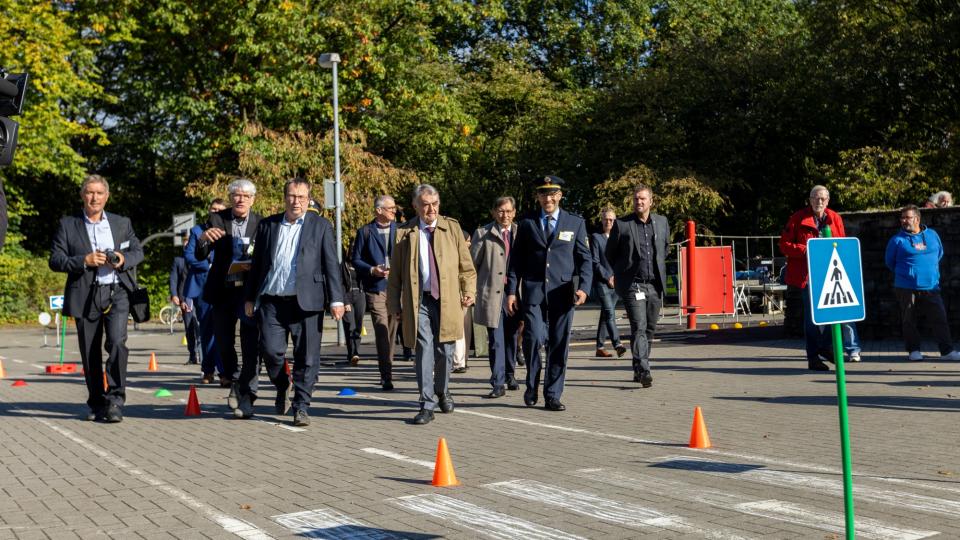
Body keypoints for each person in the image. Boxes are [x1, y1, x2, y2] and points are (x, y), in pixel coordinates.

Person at [243, 178, 345, 425]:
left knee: (307, 357)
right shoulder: (268, 225)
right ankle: (282, 383)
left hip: (307, 302)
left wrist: (337, 299)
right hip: (271, 301)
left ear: (308, 199)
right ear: (284, 197)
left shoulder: (320, 225)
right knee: (270, 351)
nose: (296, 201)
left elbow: (332, 264)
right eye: (291, 196)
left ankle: (301, 406)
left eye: (301, 197)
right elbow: (256, 266)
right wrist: (249, 297)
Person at [49, 174, 144, 422]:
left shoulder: (121, 222)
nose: (94, 197)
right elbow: (56, 260)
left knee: (116, 343)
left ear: (107, 196)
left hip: (117, 291)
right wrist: (84, 261)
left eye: (99, 193)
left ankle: (115, 400)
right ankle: (96, 401)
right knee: (90, 352)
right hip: (86, 294)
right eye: (90, 192)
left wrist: (123, 260)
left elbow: (137, 251)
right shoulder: (68, 224)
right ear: (82, 196)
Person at [387, 184, 476, 425]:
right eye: (425, 204)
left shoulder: (452, 228)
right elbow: (395, 276)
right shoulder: (404, 233)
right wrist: (394, 305)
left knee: (445, 351)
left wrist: (469, 291)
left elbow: (467, 268)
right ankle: (426, 403)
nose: (431, 209)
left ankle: (443, 391)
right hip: (419, 301)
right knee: (425, 349)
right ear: (415, 206)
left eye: (435, 203)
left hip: (447, 300)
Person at [506, 176, 592, 411]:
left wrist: (584, 287)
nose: (548, 199)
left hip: (563, 293)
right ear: (538, 197)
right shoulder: (527, 223)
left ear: (560, 196)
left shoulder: (575, 223)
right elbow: (515, 261)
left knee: (559, 343)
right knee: (533, 339)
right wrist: (511, 291)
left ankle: (553, 394)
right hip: (534, 292)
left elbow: (585, 259)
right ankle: (532, 385)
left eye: (552, 194)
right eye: (543, 194)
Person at [195, 178, 262, 409]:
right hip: (222, 291)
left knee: (250, 341)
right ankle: (233, 377)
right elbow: (201, 254)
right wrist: (203, 240)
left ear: (252, 199)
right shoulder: (216, 219)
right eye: (236, 195)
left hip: (248, 292)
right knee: (223, 342)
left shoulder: (261, 223)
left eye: (245, 195)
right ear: (231, 198)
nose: (240, 199)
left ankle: (247, 386)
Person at [779, 185, 861, 371]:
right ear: (810, 200)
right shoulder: (798, 218)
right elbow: (784, 245)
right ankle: (813, 357)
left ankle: (825, 346)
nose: (819, 201)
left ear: (828, 201)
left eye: (823, 198)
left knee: (834, 315)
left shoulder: (834, 218)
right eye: (816, 198)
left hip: (829, 275)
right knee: (812, 318)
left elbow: (841, 243)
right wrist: (808, 250)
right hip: (807, 276)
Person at [605, 186, 669, 387]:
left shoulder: (662, 222)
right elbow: (610, 253)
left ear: (651, 201)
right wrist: (621, 271)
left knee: (650, 328)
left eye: (642, 199)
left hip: (654, 285)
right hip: (634, 285)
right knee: (638, 327)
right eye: (636, 199)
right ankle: (644, 369)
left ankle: (637, 366)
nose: (639, 202)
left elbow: (665, 248)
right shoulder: (623, 224)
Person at [884, 205, 960, 361]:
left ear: (917, 219)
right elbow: (889, 262)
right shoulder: (897, 240)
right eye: (902, 218)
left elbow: (939, 253)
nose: (904, 220)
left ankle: (947, 351)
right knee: (909, 319)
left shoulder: (932, 235)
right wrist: (909, 273)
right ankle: (914, 351)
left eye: (908, 217)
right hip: (905, 287)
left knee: (939, 317)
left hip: (931, 285)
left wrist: (929, 271)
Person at [471, 196, 522, 398]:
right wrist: (469, 291)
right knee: (496, 340)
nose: (505, 215)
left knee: (512, 337)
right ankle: (498, 382)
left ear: (514, 213)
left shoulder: (521, 232)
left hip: (516, 294)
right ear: (493, 212)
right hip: (492, 295)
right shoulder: (483, 233)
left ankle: (510, 375)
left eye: (509, 211)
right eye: (501, 211)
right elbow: (471, 265)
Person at [352, 195, 400, 390]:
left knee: (392, 331)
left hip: (398, 287)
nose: (394, 212)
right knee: (381, 329)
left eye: (394, 209)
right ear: (379, 210)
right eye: (391, 208)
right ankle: (386, 374)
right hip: (376, 288)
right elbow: (355, 259)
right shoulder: (365, 231)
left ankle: (390, 366)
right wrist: (372, 269)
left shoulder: (401, 230)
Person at [184, 198, 226, 384]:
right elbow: (190, 256)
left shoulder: (228, 230)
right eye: (213, 209)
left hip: (224, 286)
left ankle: (224, 371)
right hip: (202, 287)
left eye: (220, 210)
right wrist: (209, 264)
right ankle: (209, 370)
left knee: (223, 331)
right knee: (207, 330)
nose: (216, 212)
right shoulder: (197, 231)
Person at [591, 206, 627, 359]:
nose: (609, 222)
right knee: (610, 313)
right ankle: (617, 344)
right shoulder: (596, 238)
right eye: (606, 219)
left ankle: (599, 347)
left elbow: (623, 260)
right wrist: (608, 277)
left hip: (616, 283)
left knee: (606, 315)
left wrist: (618, 277)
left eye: (612, 220)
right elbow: (595, 261)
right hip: (603, 282)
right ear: (602, 220)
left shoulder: (619, 238)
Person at [169, 232, 199, 365]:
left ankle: (203, 354)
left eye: (189, 244)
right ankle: (192, 354)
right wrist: (174, 295)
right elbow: (174, 279)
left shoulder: (199, 258)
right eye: (185, 244)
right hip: (185, 298)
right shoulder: (178, 260)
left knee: (201, 326)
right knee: (189, 328)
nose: (186, 246)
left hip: (200, 296)